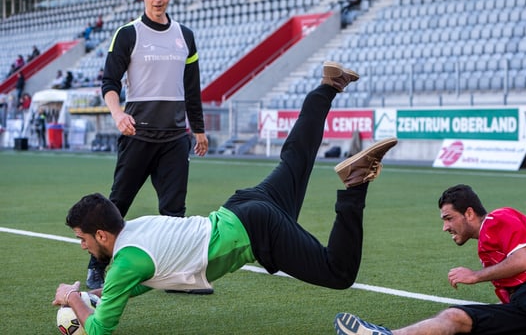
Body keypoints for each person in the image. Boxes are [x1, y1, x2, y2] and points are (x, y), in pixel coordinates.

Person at [52, 61, 398, 335]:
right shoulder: (135, 232)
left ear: (101, 234)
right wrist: (87, 298)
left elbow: (98, 330)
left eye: (81, 238)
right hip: (241, 207)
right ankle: (328, 85)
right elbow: (126, 288)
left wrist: (72, 298)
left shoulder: (125, 264)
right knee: (296, 158)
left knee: (338, 273)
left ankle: (355, 183)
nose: (81, 245)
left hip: (254, 228)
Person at [334, 184, 526, 335]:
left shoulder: (499, 218)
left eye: (448, 218)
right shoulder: (484, 248)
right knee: (455, 317)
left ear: (469, 213)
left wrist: (474, 276)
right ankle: (384, 334)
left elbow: (522, 261)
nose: (445, 226)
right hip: (521, 303)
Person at [85, 0, 204, 290]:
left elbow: (192, 89)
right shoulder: (128, 34)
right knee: (116, 205)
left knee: (175, 213)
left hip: (176, 139)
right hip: (137, 135)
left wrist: (199, 130)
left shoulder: (185, 36)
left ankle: (178, 276)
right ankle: (97, 267)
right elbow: (109, 83)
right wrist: (117, 112)